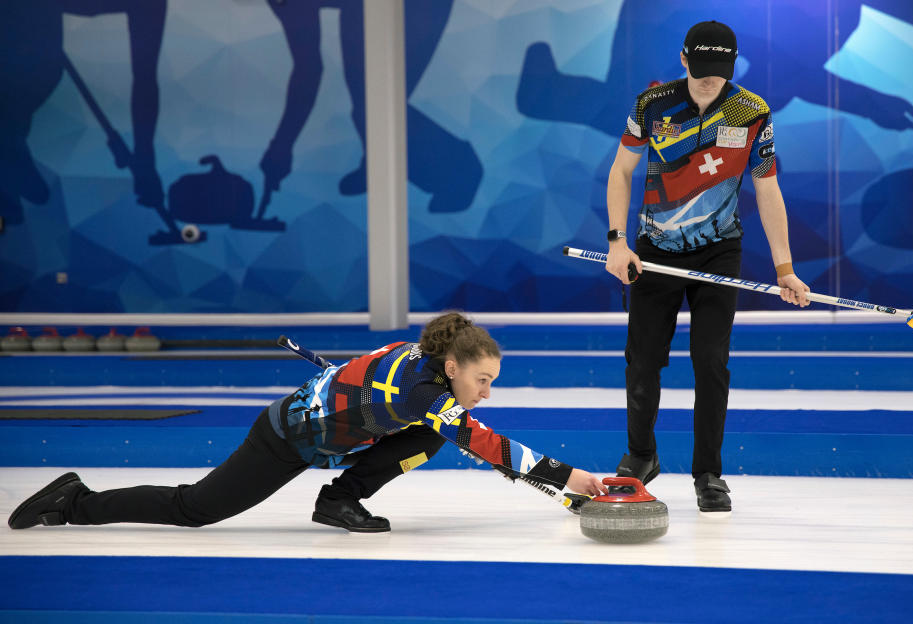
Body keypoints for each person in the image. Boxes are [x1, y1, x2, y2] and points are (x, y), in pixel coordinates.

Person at [8, 312, 607, 533]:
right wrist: (572, 477)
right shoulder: (428, 390)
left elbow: (389, 386)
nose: (486, 391)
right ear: (452, 367)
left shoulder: (422, 362)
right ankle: (75, 502)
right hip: (283, 438)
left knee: (429, 439)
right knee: (196, 510)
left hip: (332, 435)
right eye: (482, 380)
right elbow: (484, 442)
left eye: (492, 383)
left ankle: (340, 500)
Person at [604, 21, 810, 513]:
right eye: (699, 73)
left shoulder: (752, 112)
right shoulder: (651, 106)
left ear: (731, 68)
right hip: (653, 251)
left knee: (711, 363)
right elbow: (621, 170)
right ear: (683, 60)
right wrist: (616, 242)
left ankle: (709, 473)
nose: (707, 83)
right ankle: (640, 455)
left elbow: (767, 189)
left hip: (720, 251)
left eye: (717, 75)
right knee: (643, 360)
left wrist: (785, 269)